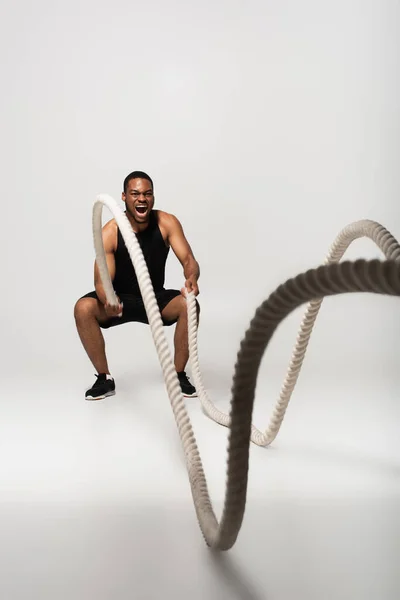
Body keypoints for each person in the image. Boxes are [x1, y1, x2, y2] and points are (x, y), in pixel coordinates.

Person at [74, 170, 200, 401]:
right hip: (119, 300)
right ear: (124, 197)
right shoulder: (110, 232)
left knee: (189, 305)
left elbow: (189, 259)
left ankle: (178, 375)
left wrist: (191, 278)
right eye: (135, 194)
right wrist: (107, 299)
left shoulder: (166, 222)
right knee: (83, 308)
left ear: (152, 197)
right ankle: (104, 379)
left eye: (147, 194)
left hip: (154, 298)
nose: (142, 199)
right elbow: (101, 280)